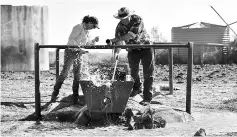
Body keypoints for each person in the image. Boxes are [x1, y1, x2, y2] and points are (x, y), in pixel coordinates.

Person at [50, 15, 100, 104]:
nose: (93, 28)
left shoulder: (87, 31)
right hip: (70, 52)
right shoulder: (78, 27)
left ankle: (75, 98)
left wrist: (93, 41)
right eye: (93, 26)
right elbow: (71, 40)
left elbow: (87, 43)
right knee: (65, 73)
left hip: (79, 53)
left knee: (77, 76)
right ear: (89, 23)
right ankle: (55, 93)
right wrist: (79, 49)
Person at [110, 7, 154, 105]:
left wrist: (116, 39)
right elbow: (119, 42)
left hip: (146, 47)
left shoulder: (137, 19)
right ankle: (137, 88)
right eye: (121, 18)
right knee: (133, 71)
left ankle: (147, 98)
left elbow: (132, 34)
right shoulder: (119, 27)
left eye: (125, 17)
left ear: (129, 16)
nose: (123, 20)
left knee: (148, 73)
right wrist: (116, 53)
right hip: (132, 50)